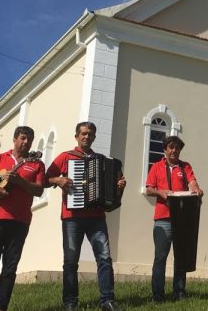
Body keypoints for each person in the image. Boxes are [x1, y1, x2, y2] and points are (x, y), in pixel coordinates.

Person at [47, 122, 126, 311]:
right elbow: (44, 179)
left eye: (90, 134)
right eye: (83, 133)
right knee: (70, 261)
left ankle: (107, 300)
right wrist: (58, 180)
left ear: (94, 137)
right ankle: (70, 302)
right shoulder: (65, 157)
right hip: (72, 217)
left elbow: (113, 192)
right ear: (77, 136)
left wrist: (119, 187)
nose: (86, 137)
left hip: (96, 217)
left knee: (104, 258)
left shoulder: (101, 160)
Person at [0, 126, 45, 311]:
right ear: (14, 139)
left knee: (9, 269)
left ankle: (0, 307)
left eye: (29, 139)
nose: (26, 142)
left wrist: (20, 181)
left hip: (20, 222)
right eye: (23, 138)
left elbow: (39, 190)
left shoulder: (36, 164)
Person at [144, 136, 203, 302]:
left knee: (181, 257)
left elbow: (192, 182)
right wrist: (160, 192)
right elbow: (149, 189)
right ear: (165, 149)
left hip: (182, 218)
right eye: (171, 147)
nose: (174, 151)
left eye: (177, 148)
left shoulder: (185, 166)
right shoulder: (156, 166)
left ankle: (179, 292)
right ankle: (157, 295)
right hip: (163, 218)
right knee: (160, 257)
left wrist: (196, 189)